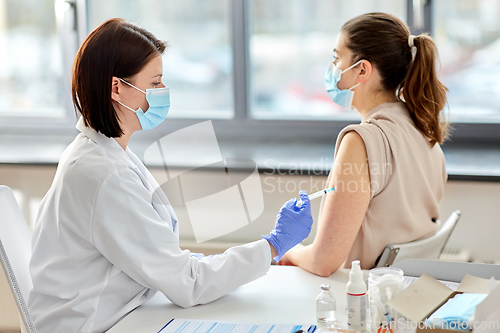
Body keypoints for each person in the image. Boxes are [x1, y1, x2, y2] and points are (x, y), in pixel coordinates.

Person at [28, 18, 313, 333]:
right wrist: (272, 245)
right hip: (94, 324)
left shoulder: (107, 153)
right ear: (117, 88)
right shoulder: (102, 174)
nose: (163, 92)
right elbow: (187, 283)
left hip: (125, 309)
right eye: (155, 83)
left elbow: (169, 263)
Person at [278, 12, 448, 276]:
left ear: (362, 70)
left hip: (358, 302)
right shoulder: (423, 131)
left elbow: (324, 262)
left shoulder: (360, 141)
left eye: (337, 58)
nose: (332, 68)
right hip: (397, 296)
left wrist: (286, 249)